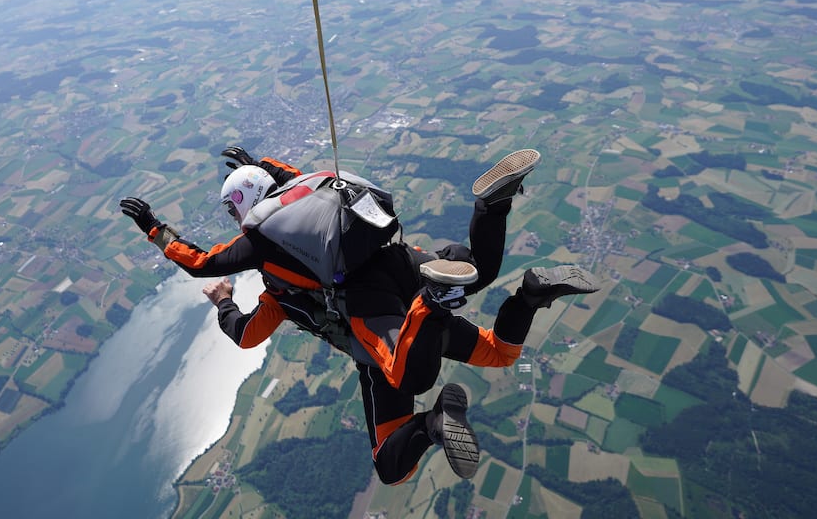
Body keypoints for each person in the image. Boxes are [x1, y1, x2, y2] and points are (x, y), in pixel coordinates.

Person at [121, 148, 599, 482]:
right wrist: (260, 163)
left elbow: (221, 295)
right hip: (403, 261)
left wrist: (166, 241)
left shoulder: (275, 283)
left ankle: (435, 416)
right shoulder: (307, 197)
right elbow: (294, 180)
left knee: (398, 427)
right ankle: (514, 257)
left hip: (380, 315)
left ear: (240, 210)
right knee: (493, 324)